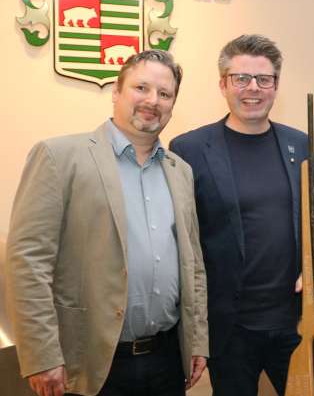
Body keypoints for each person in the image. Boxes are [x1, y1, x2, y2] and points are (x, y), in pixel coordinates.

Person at [5, 50, 208, 396]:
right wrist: (41, 355)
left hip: (166, 360)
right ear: (116, 91)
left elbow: (194, 266)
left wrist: (197, 339)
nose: (152, 100)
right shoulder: (59, 157)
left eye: (164, 93)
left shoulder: (181, 171)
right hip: (88, 363)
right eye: (141, 88)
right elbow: (27, 261)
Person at [169, 34, 314, 396]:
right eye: (241, 78)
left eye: (263, 79)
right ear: (223, 84)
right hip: (230, 329)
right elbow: (183, 240)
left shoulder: (300, 144)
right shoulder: (189, 149)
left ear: (276, 86)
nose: (253, 88)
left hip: (295, 322)